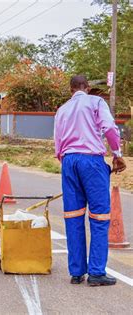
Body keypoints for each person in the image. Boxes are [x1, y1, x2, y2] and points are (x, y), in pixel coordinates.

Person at [54, 75, 126, 286]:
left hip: (69, 161)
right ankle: (96, 272)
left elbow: (57, 143)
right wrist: (117, 154)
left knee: (73, 216)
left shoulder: (62, 110)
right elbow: (110, 128)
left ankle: (76, 272)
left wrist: (68, 162)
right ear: (86, 88)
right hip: (91, 161)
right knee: (99, 217)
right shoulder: (96, 102)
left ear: (71, 90)